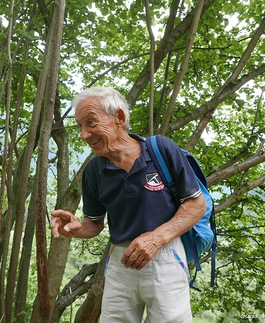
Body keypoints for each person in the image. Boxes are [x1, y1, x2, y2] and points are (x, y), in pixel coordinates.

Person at [51, 86, 206, 323]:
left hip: (166, 254)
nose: (84, 134)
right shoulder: (94, 170)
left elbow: (195, 205)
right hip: (120, 261)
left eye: (91, 123)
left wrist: (156, 238)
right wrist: (76, 228)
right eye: (80, 126)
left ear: (119, 118)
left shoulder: (161, 150)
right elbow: (94, 223)